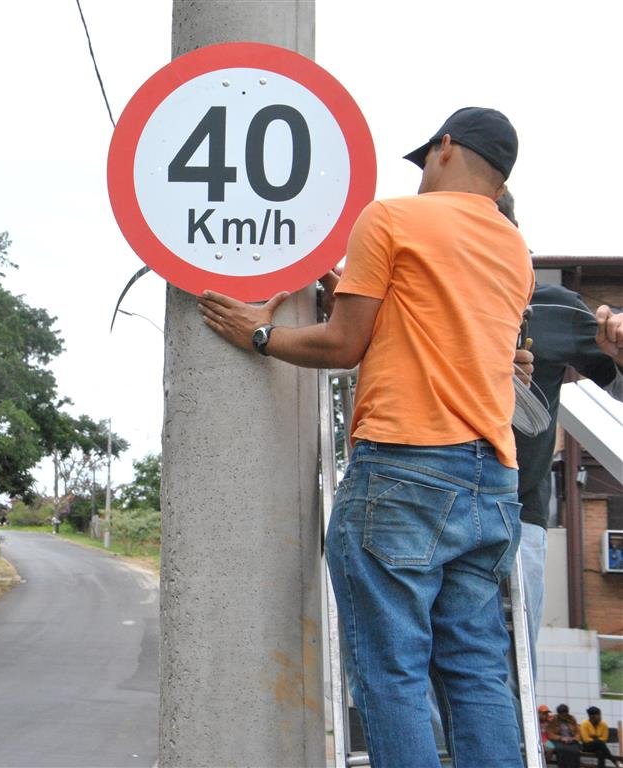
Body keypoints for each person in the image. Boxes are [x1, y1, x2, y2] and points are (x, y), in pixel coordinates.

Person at [197, 106, 531, 767]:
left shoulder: (391, 218)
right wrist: (353, 284)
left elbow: (343, 343)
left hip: (404, 471)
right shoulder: (512, 248)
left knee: (391, 670)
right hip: (490, 483)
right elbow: (431, 325)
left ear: (442, 149)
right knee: (473, 672)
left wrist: (260, 336)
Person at [499, 189, 623, 674]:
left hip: (519, 511)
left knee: (510, 667)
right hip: (439, 502)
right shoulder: (434, 298)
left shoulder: (550, 305)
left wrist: (617, 347)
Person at [548, 704, 583, 768]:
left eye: (565, 714)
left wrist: (573, 738)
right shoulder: (554, 720)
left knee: (574, 750)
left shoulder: (572, 719)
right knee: (561, 749)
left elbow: (578, 732)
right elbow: (550, 734)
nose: (563, 716)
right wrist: (561, 738)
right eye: (561, 714)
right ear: (559, 714)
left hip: (571, 740)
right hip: (559, 740)